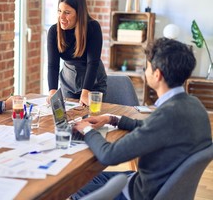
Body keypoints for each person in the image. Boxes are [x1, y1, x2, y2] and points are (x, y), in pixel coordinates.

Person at [72, 38, 212, 199]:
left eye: (147, 66)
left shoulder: (166, 115)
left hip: (140, 193)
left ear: (157, 75)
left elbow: (108, 155)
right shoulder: (193, 104)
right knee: (82, 179)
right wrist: (112, 119)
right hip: (153, 183)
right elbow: (150, 127)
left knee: (72, 187)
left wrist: (87, 129)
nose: (146, 71)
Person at [47, 0, 107, 106]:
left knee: (92, 118)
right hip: (68, 81)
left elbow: (93, 63)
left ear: (79, 13)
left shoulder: (93, 28)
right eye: (59, 11)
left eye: (67, 12)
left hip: (93, 82)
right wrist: (52, 91)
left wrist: (86, 92)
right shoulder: (54, 31)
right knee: (69, 117)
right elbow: (53, 65)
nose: (62, 17)